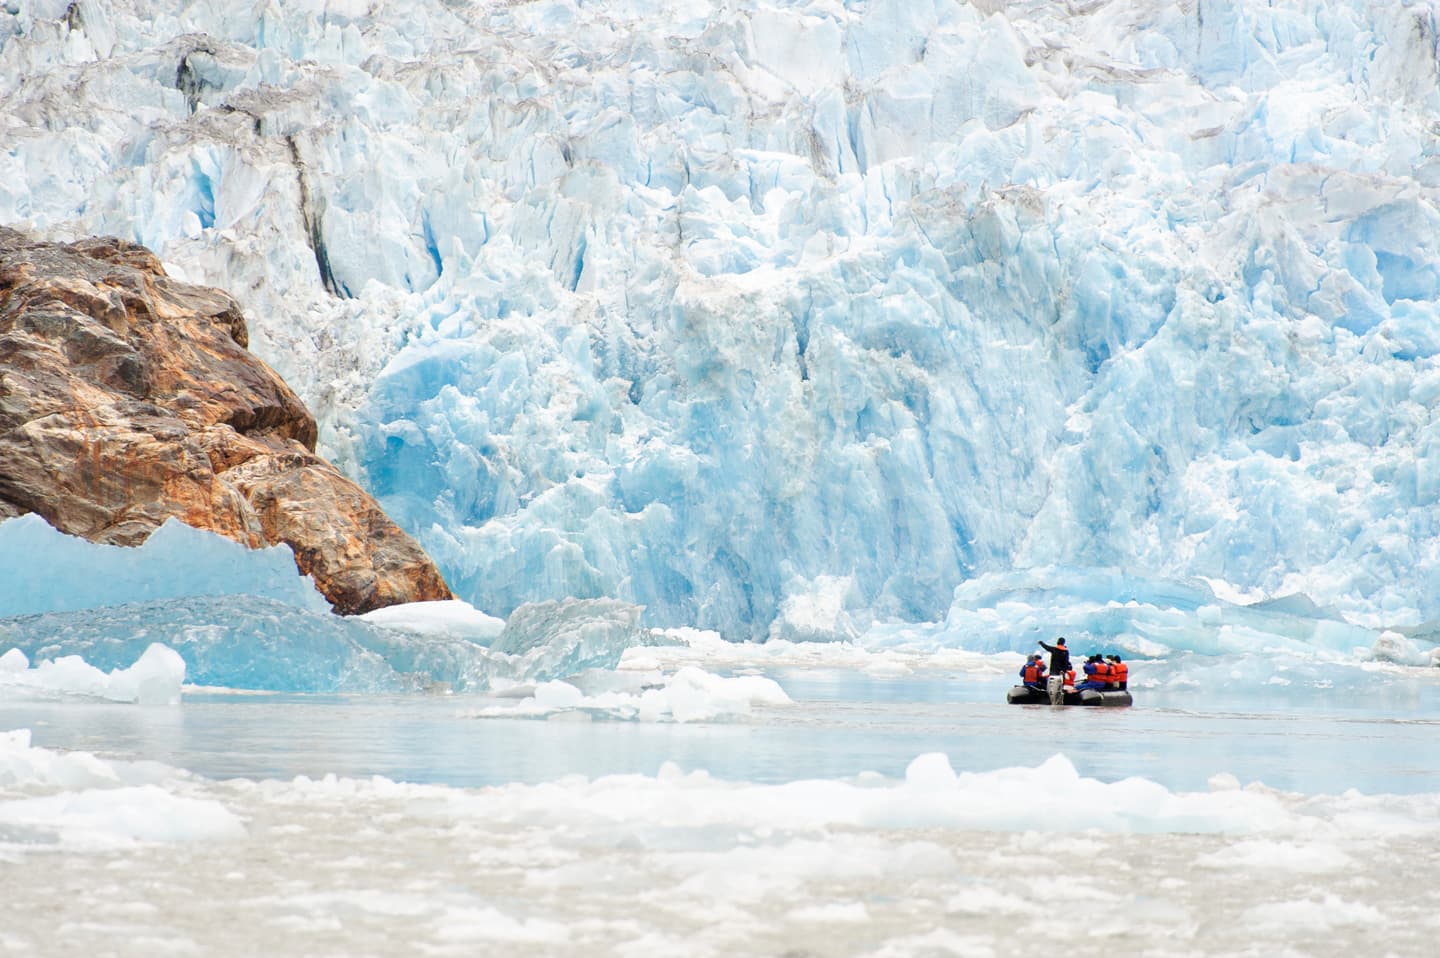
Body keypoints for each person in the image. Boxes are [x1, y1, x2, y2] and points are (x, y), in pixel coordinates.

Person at [1037, 637, 1071, 704]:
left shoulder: (1054, 649)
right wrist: (1064, 670)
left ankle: (1051, 697)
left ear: (1058, 642)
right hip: (1061, 672)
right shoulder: (1066, 651)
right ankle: (1060, 696)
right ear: (1064, 643)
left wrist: (1041, 643)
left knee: (1052, 683)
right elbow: (1066, 662)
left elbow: (1046, 647)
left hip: (1054, 671)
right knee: (1061, 685)